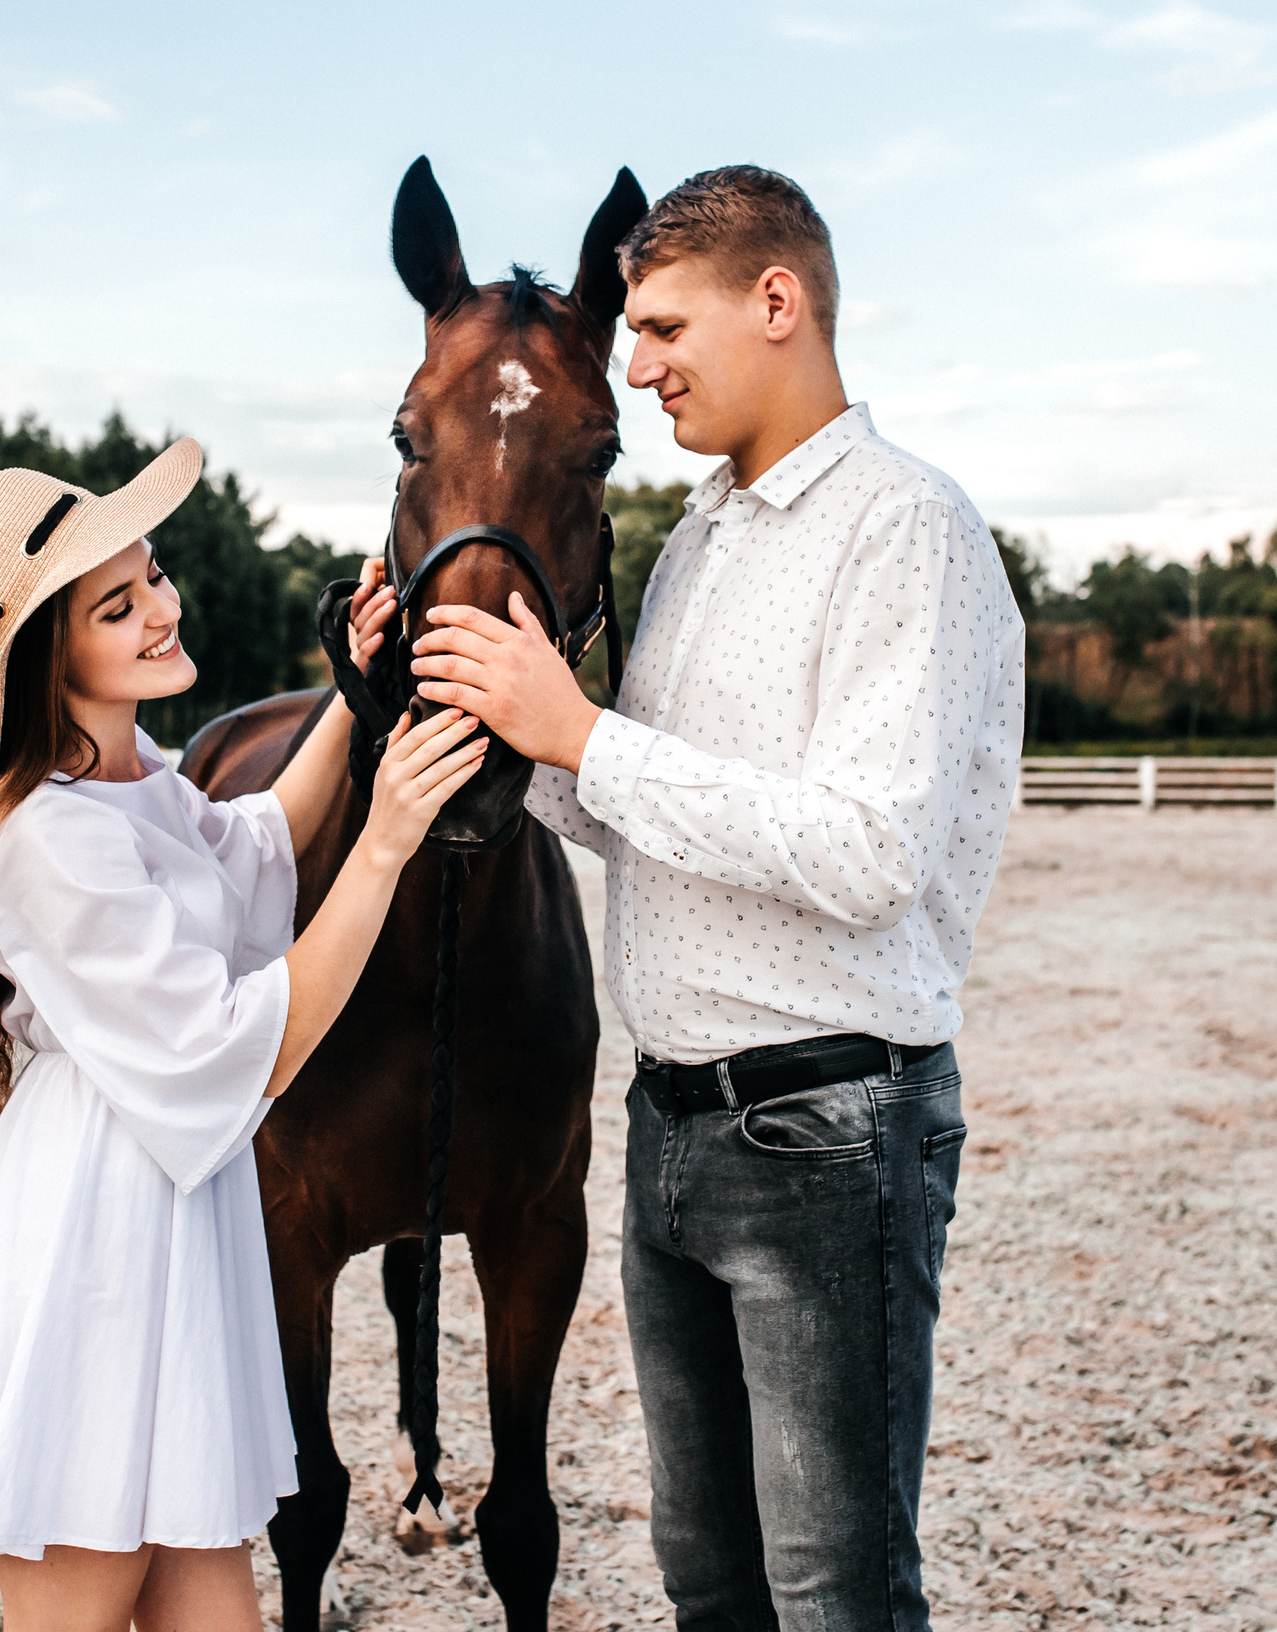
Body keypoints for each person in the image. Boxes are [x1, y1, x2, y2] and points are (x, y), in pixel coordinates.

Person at [407, 167, 1025, 1630]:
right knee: (712, 1583)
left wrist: (585, 734)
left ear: (777, 301)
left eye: (663, 324)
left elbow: (868, 848)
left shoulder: (903, 526)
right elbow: (630, 804)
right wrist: (485, 707)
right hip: (671, 1122)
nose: (637, 363)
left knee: (835, 1592)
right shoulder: (701, 537)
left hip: (828, 1127)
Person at [0, 438, 480, 1632]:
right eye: (118, 603)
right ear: (54, 656)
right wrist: (389, 836)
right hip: (89, 1243)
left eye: (152, 574)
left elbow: (250, 848)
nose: (161, 607)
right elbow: (243, 1042)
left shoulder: (134, 775)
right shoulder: (43, 836)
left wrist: (351, 705)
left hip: (162, 1215)